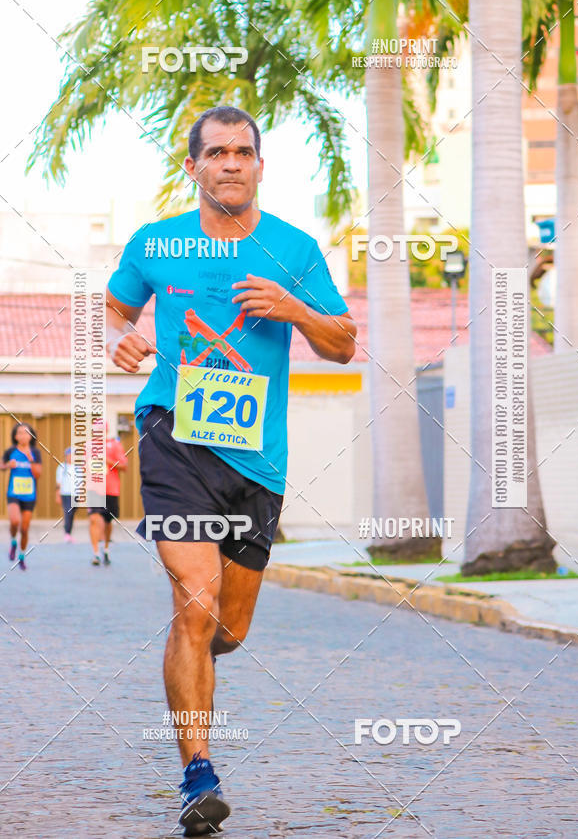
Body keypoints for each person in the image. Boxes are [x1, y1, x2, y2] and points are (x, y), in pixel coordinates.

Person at [106, 105, 356, 835]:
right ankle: (198, 775)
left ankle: (194, 658)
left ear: (259, 165)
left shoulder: (294, 249)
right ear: (193, 168)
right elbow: (113, 312)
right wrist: (121, 338)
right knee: (195, 604)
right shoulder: (157, 244)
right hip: (174, 435)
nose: (231, 163)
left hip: (258, 463)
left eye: (243, 152)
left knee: (227, 628)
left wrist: (294, 309)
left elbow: (343, 344)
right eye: (216, 152)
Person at [1, 422, 42, 571]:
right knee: (14, 521)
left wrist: (30, 459)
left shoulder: (35, 453)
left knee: (24, 529)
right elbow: (1, 464)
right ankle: (13, 541)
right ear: (15, 436)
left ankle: (22, 556)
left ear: (31, 436)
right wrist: (7, 465)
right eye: (20, 432)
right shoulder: (11, 451)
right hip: (13, 493)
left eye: (26, 432)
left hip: (29, 495)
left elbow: (38, 474)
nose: (23, 435)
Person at [87, 427, 128, 566]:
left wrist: (108, 461)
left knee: (108, 522)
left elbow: (124, 466)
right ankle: (96, 553)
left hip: (111, 490)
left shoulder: (114, 445)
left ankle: (106, 548)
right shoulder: (88, 446)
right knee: (94, 519)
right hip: (93, 489)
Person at [56, 446, 76, 542]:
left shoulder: (78, 467)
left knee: (72, 513)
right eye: (69, 455)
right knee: (68, 512)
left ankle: (69, 532)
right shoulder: (62, 467)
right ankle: (67, 533)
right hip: (65, 494)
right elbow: (58, 482)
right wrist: (58, 494)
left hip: (75, 494)